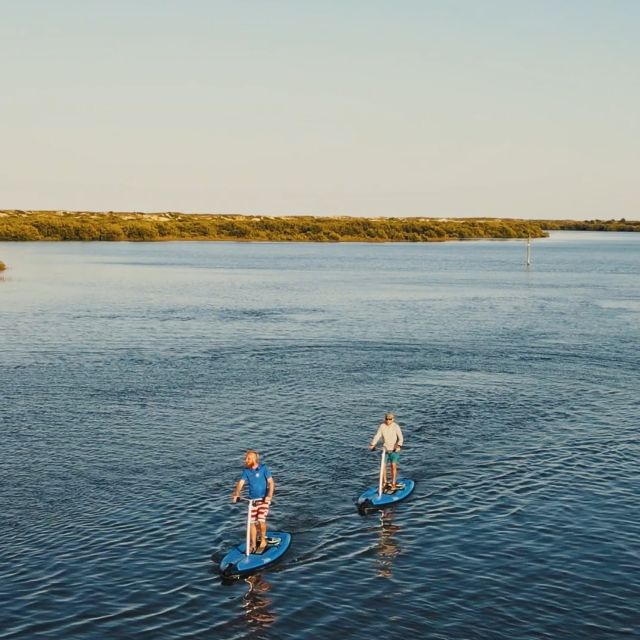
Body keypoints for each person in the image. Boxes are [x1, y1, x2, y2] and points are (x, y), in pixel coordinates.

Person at [231, 450, 275, 554]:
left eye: (248, 458)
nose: (246, 460)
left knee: (260, 520)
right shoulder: (246, 471)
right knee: (251, 523)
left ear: (254, 459)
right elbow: (240, 483)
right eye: (246, 458)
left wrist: (269, 496)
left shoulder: (264, 468)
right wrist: (236, 493)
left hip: (263, 500)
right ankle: (253, 544)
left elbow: (271, 482)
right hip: (252, 501)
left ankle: (263, 541)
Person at [369, 412, 404, 491]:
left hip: (394, 450)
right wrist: (372, 444)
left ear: (393, 419)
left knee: (393, 466)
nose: (388, 421)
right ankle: (384, 482)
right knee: (383, 466)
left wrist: (398, 445)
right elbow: (377, 436)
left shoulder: (396, 427)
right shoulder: (382, 426)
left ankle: (393, 483)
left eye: (390, 419)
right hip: (385, 450)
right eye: (387, 419)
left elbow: (401, 438)